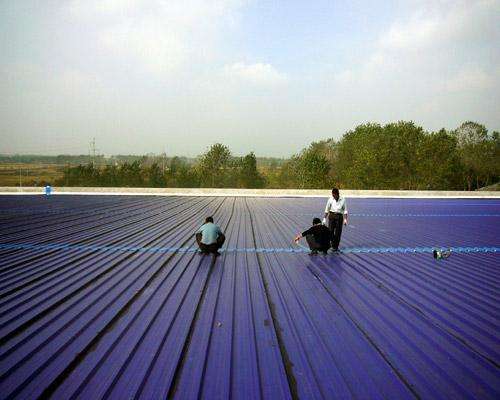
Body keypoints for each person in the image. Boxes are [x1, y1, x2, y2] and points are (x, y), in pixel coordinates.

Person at [324, 187, 348, 252]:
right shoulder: (330, 199)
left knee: (338, 232)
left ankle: (335, 247)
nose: (333, 197)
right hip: (331, 215)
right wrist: (324, 218)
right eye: (332, 195)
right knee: (330, 231)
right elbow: (327, 209)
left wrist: (345, 219)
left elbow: (345, 210)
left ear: (337, 194)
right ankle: (332, 244)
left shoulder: (343, 199)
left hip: (339, 216)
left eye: (334, 195)